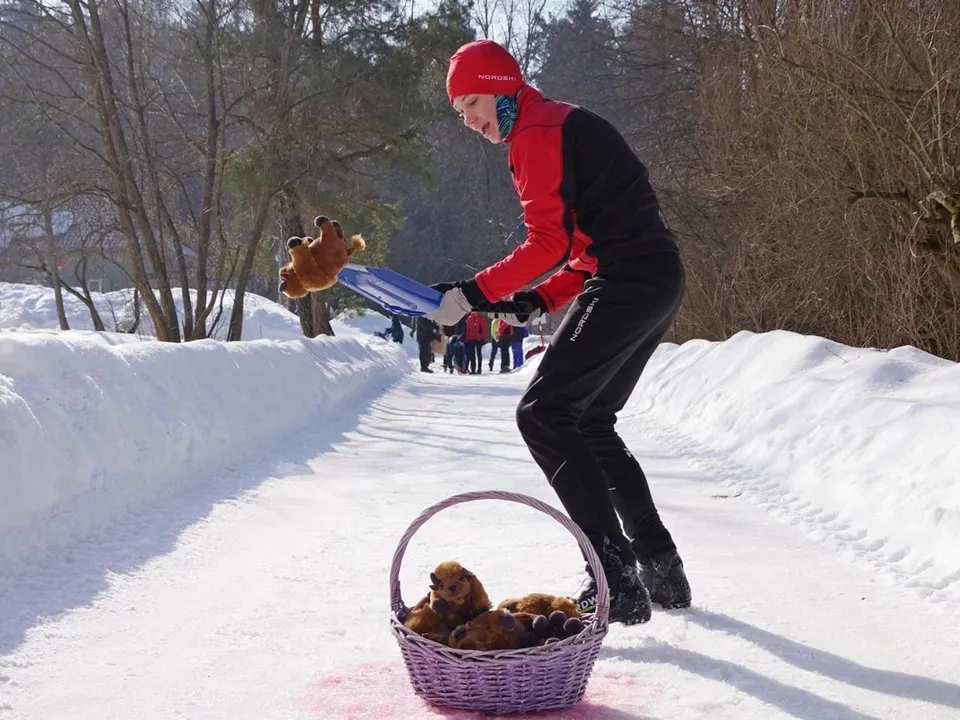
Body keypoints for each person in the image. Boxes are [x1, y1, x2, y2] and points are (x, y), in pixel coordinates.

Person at [427, 39, 690, 625]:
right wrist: (539, 298)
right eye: (460, 111)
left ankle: (614, 577)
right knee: (589, 421)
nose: (469, 120)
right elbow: (580, 248)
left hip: (628, 279)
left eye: (472, 103)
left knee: (543, 414)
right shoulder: (556, 123)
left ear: (501, 87)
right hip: (652, 275)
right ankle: (660, 568)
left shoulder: (538, 132)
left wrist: (473, 294)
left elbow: (546, 242)